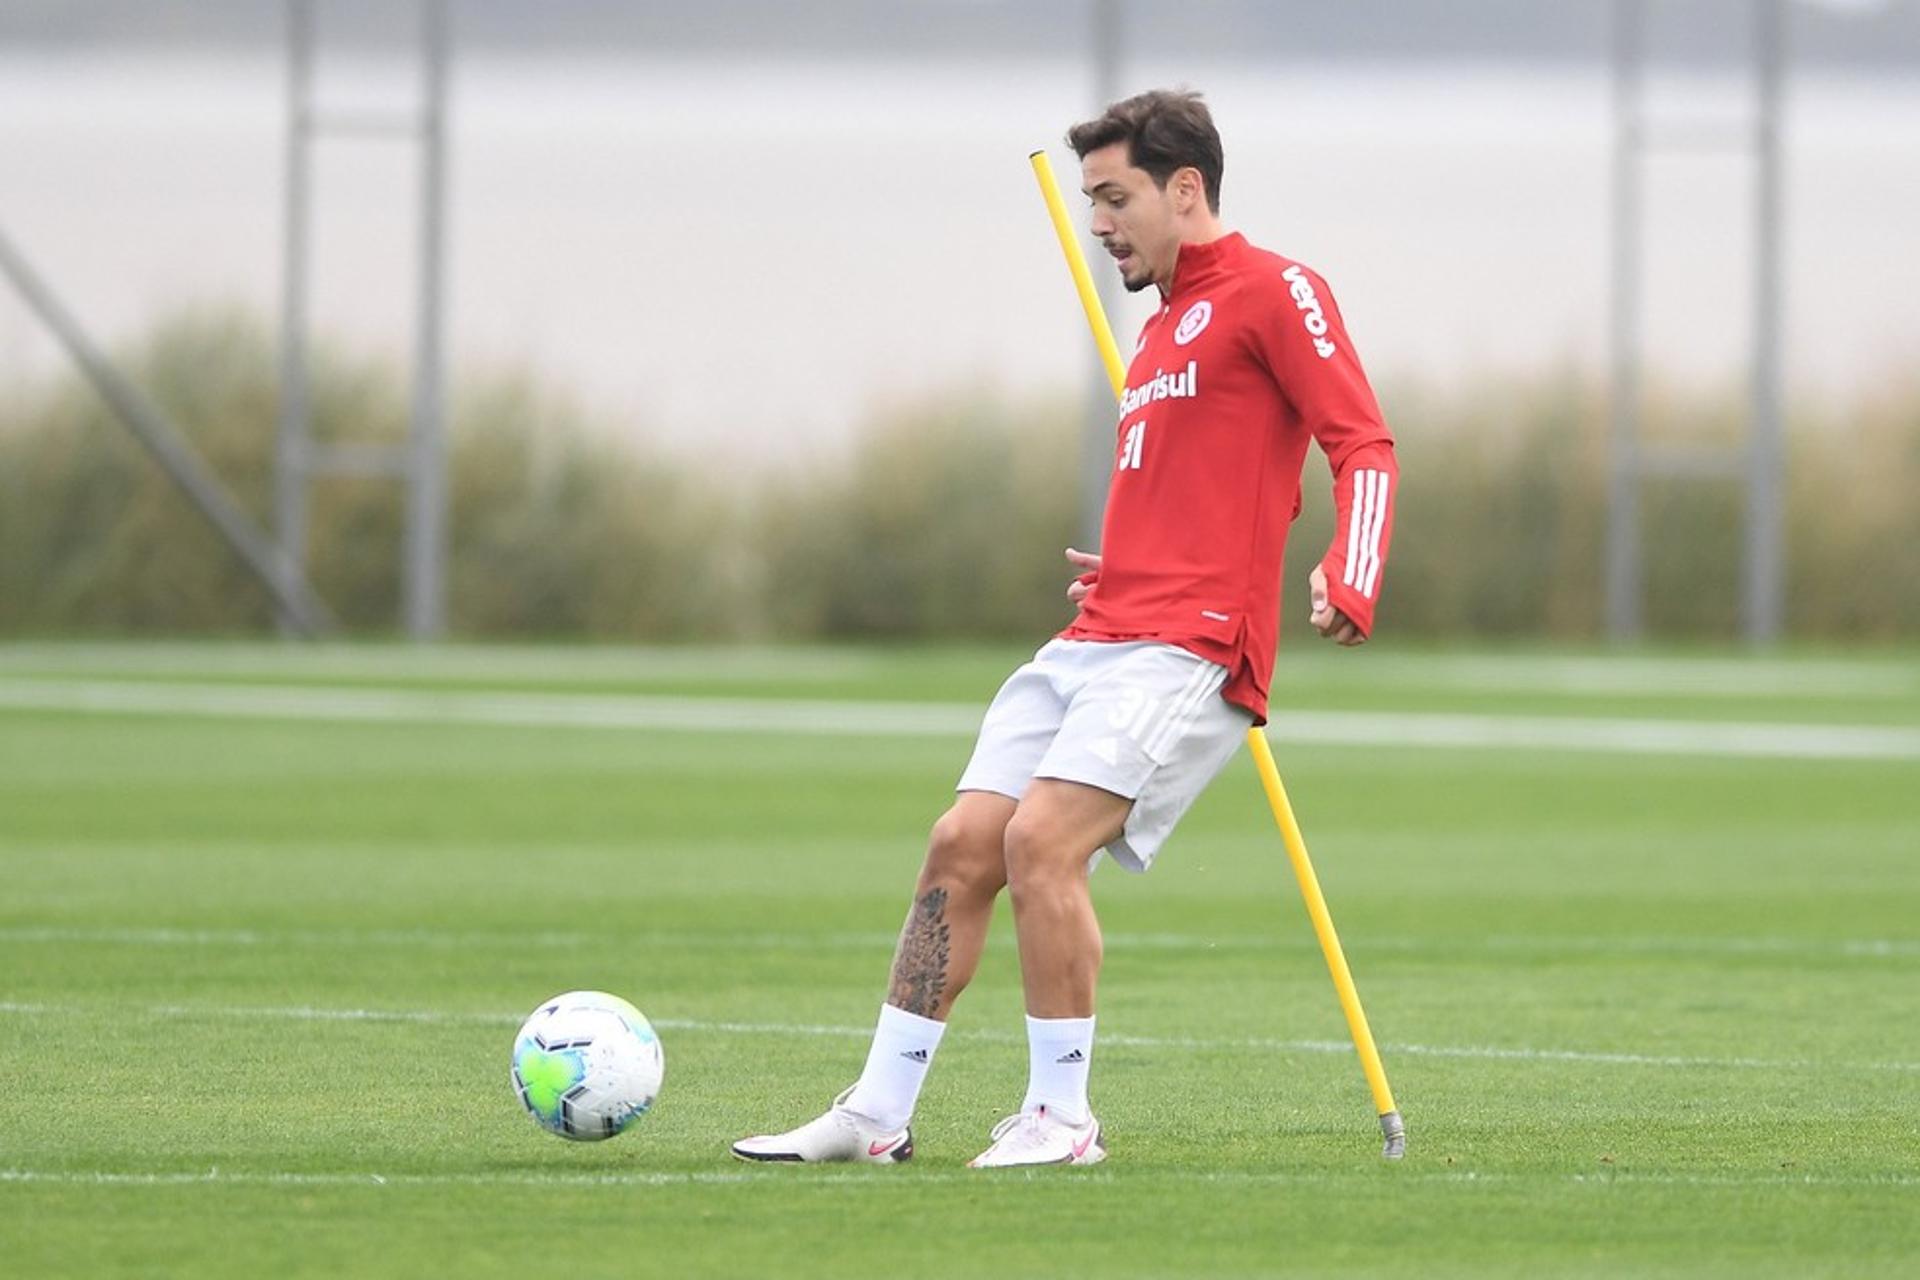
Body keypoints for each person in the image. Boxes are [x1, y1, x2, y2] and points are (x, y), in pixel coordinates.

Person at [732, 88, 1398, 1169]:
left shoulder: (1279, 291)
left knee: (1044, 841)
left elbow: (1362, 442)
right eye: (1090, 198)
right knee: (961, 845)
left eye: (1115, 195)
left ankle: (1061, 1117)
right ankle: (877, 1109)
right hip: (1103, 629)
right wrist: (1128, 561)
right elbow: (1204, 487)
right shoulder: (1160, 322)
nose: (1099, 222)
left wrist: (1350, 570)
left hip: (1194, 643)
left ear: (1186, 189)